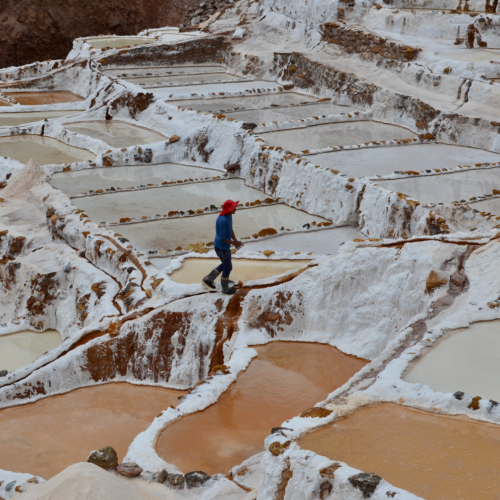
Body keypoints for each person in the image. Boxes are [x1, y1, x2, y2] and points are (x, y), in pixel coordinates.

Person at [202, 199, 243, 294]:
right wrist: (234, 243)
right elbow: (223, 238)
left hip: (225, 247)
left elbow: (230, 229)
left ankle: (209, 279)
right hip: (221, 247)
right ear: (229, 210)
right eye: (234, 207)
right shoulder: (222, 220)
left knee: (226, 264)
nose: (235, 209)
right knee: (227, 266)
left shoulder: (229, 216)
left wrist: (235, 240)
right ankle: (224, 288)